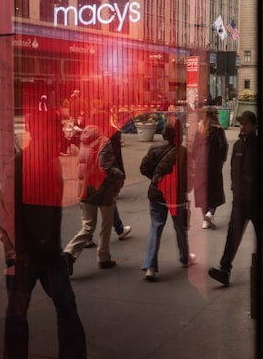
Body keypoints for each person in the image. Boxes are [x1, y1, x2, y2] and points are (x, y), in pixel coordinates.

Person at [1, 107, 87, 359]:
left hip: (47, 251)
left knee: (62, 307)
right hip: (27, 252)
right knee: (24, 313)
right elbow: (5, 209)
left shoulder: (48, 163)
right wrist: (13, 250)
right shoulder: (22, 165)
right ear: (41, 133)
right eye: (57, 129)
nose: (62, 134)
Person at [63, 116, 126, 275]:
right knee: (106, 223)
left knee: (88, 226)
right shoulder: (104, 141)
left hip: (85, 187)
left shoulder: (84, 140)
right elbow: (105, 167)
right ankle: (103, 257)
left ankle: (69, 253)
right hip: (103, 189)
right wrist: (120, 175)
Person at [139, 117, 195, 281]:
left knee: (156, 227)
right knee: (180, 227)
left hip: (156, 193)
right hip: (175, 196)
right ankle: (185, 258)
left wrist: (156, 179)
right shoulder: (184, 152)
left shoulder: (155, 148)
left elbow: (144, 168)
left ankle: (150, 266)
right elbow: (189, 177)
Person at [209, 110, 260, 286]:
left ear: (254, 125)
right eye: (241, 123)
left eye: (246, 123)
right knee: (232, 236)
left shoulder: (260, 145)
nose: (242, 126)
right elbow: (233, 169)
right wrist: (234, 189)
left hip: (257, 202)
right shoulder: (237, 145)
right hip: (240, 201)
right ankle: (225, 271)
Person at [190, 106, 228, 229]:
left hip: (200, 166)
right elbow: (224, 147)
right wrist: (221, 161)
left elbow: (194, 148)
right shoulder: (218, 130)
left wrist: (197, 161)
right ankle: (210, 213)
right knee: (215, 191)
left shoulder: (199, 130)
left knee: (202, 192)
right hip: (214, 165)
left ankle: (205, 218)